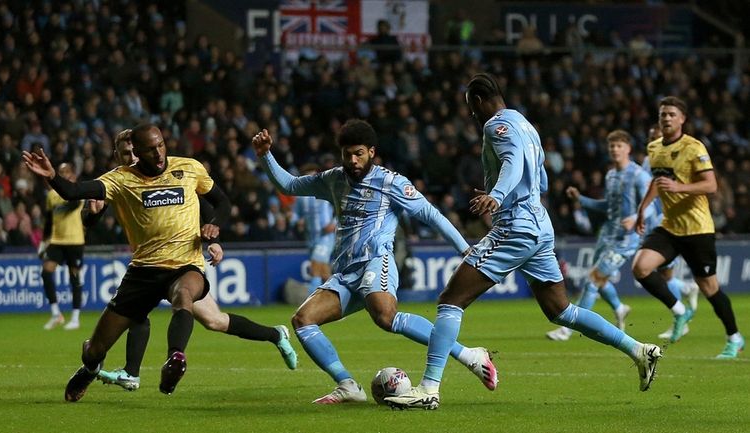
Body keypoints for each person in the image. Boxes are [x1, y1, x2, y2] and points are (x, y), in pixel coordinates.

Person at [385, 73, 661, 410]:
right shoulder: (527, 125)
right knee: (562, 311)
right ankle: (639, 350)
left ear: (476, 102)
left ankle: (429, 387)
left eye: (471, 109)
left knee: (451, 300)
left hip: (515, 227)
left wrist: (498, 195)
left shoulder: (494, 127)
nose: (472, 116)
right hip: (539, 224)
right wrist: (512, 193)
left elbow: (513, 160)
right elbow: (541, 180)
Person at [252, 120, 497, 404]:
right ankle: (348, 386)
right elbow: (289, 184)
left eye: (359, 153)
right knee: (303, 320)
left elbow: (430, 214)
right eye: (347, 154)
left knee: (385, 316)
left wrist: (463, 248)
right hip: (345, 272)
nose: (353, 160)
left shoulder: (391, 182)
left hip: (375, 261)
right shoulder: (333, 179)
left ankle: (468, 355)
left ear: (372, 152)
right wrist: (265, 155)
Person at [23, 124, 231, 401]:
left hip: (184, 264)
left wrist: (215, 227)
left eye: (161, 145)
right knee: (94, 348)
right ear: (137, 152)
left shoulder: (188, 168)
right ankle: (90, 368)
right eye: (149, 149)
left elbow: (222, 202)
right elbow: (74, 191)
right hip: (143, 272)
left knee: (184, 296)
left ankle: (175, 359)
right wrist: (51, 176)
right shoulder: (121, 179)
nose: (158, 153)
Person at [92, 130, 297, 391]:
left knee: (214, 321)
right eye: (126, 153)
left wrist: (214, 239)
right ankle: (131, 373)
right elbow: (91, 220)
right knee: (141, 313)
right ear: (117, 156)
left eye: (135, 151)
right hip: (148, 264)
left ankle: (275, 334)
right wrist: (91, 214)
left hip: (179, 263)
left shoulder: (170, 174)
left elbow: (205, 204)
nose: (132, 156)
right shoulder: (120, 182)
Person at [632, 96, 743, 358]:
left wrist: (680, 187)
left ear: (682, 119)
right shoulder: (654, 147)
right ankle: (680, 312)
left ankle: (734, 337)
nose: (666, 118)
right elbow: (657, 182)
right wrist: (642, 210)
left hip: (697, 229)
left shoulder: (694, 148)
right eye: (663, 115)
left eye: (671, 114)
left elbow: (711, 185)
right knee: (641, 267)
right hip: (670, 226)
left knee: (709, 288)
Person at [546, 130, 649, 341]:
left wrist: (637, 217)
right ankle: (619, 308)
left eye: (619, 146)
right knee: (600, 281)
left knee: (592, 280)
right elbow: (606, 207)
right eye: (612, 146)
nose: (615, 150)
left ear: (628, 148)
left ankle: (569, 328)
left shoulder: (639, 176)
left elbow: (653, 206)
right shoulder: (611, 176)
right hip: (607, 236)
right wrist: (581, 199)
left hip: (625, 240)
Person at [641, 123, 699, 339]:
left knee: (654, 272)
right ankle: (686, 289)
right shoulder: (648, 160)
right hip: (652, 223)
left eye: (656, 135)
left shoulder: (673, 160)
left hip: (666, 224)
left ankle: (680, 318)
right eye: (650, 136)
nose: (652, 139)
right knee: (661, 274)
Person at [39, 162, 85, 331]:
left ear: (73, 175)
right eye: (61, 172)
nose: (64, 174)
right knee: (46, 272)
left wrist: (58, 210)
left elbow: (72, 205)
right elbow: (49, 220)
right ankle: (56, 313)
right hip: (57, 241)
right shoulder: (51, 195)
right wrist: (43, 242)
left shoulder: (76, 191)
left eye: (67, 172)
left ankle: (75, 317)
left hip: (75, 241)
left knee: (74, 278)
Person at [293, 163, 336, 295]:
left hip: (326, 237)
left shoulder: (327, 192)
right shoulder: (301, 197)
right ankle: (335, 300)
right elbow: (296, 215)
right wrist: (297, 221)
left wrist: (335, 223)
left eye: (313, 175)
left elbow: (342, 209)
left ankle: (310, 299)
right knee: (324, 272)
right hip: (311, 238)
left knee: (315, 267)